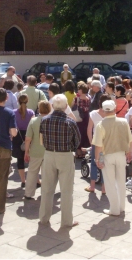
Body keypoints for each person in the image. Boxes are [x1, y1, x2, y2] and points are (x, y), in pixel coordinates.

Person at [39, 94, 81, 227]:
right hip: (65, 155)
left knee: (46, 189)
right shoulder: (70, 122)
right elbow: (77, 141)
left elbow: (41, 141)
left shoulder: (44, 120)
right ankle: (67, 221)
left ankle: (44, 218)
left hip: (49, 154)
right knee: (67, 190)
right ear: (66, 107)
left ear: (52, 106)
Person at [93, 100, 132, 216]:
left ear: (104, 111)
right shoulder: (123, 122)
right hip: (121, 155)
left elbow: (98, 146)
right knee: (121, 182)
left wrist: (97, 160)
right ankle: (121, 207)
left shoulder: (101, 125)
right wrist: (129, 152)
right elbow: (130, 139)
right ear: (115, 109)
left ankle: (114, 209)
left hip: (107, 156)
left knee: (110, 183)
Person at [24, 100, 51, 199]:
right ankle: (46, 193)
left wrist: (26, 152)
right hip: (49, 152)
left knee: (32, 172)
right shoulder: (52, 121)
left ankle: (28, 193)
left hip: (35, 151)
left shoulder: (33, 121)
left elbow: (28, 139)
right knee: (47, 174)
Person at [85, 94, 111, 193]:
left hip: (96, 141)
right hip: (107, 142)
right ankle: (104, 188)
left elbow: (89, 129)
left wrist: (91, 142)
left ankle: (92, 186)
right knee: (105, 164)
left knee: (94, 163)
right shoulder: (110, 115)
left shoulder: (93, 114)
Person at [14, 94, 35, 188]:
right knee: (31, 159)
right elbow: (33, 125)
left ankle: (23, 181)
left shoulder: (13, 112)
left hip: (18, 137)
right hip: (28, 135)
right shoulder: (31, 112)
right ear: (27, 101)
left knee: (20, 159)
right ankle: (33, 180)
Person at [75, 83, 91, 155]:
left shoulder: (77, 99)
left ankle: (78, 152)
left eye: (79, 89)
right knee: (85, 133)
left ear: (81, 90)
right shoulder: (89, 98)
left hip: (79, 117)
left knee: (79, 133)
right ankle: (84, 151)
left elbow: (73, 106)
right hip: (86, 117)